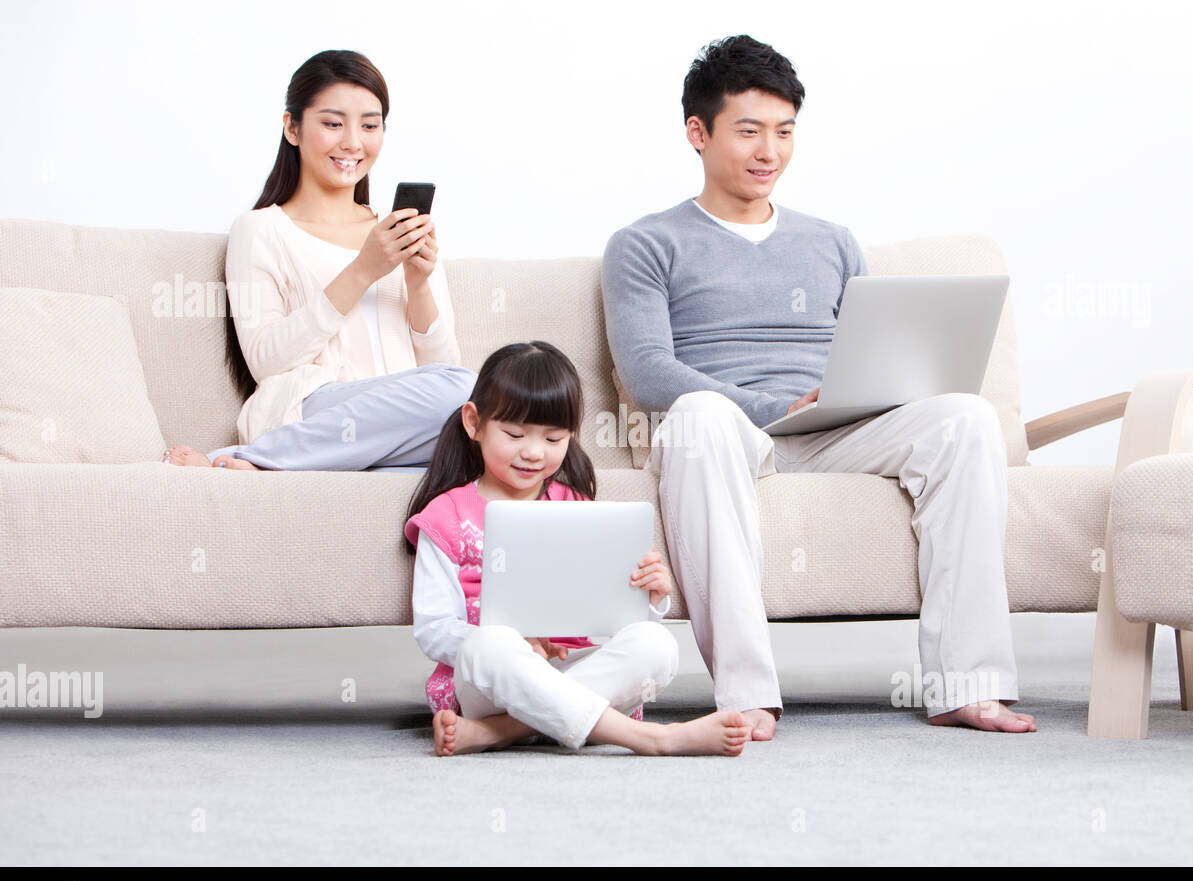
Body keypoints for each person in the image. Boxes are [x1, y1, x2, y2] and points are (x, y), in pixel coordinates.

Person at [601, 35, 1037, 740]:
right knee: (698, 417)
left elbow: (872, 345)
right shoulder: (646, 243)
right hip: (731, 433)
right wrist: (776, 408)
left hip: (835, 429)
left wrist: (882, 388)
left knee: (965, 417)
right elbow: (650, 374)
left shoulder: (832, 241)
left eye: (783, 132)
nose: (768, 151)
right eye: (748, 131)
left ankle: (969, 684)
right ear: (697, 133)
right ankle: (746, 694)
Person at [402, 341, 749, 757]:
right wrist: (514, 640)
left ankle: (501, 732)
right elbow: (433, 627)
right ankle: (652, 739)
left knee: (656, 646)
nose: (533, 452)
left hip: (572, 667)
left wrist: (651, 597)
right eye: (514, 434)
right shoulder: (446, 515)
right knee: (488, 647)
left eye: (553, 438)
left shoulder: (574, 505)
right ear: (474, 423)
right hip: (494, 678)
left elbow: (612, 612)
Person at [163, 49, 474, 472]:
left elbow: (441, 368)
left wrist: (418, 281)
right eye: (332, 123)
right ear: (292, 127)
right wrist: (364, 270)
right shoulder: (260, 230)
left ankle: (270, 463)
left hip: (400, 426)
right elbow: (266, 360)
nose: (352, 142)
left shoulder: (397, 229)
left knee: (484, 410)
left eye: (369, 125)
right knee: (463, 393)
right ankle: (254, 457)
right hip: (315, 410)